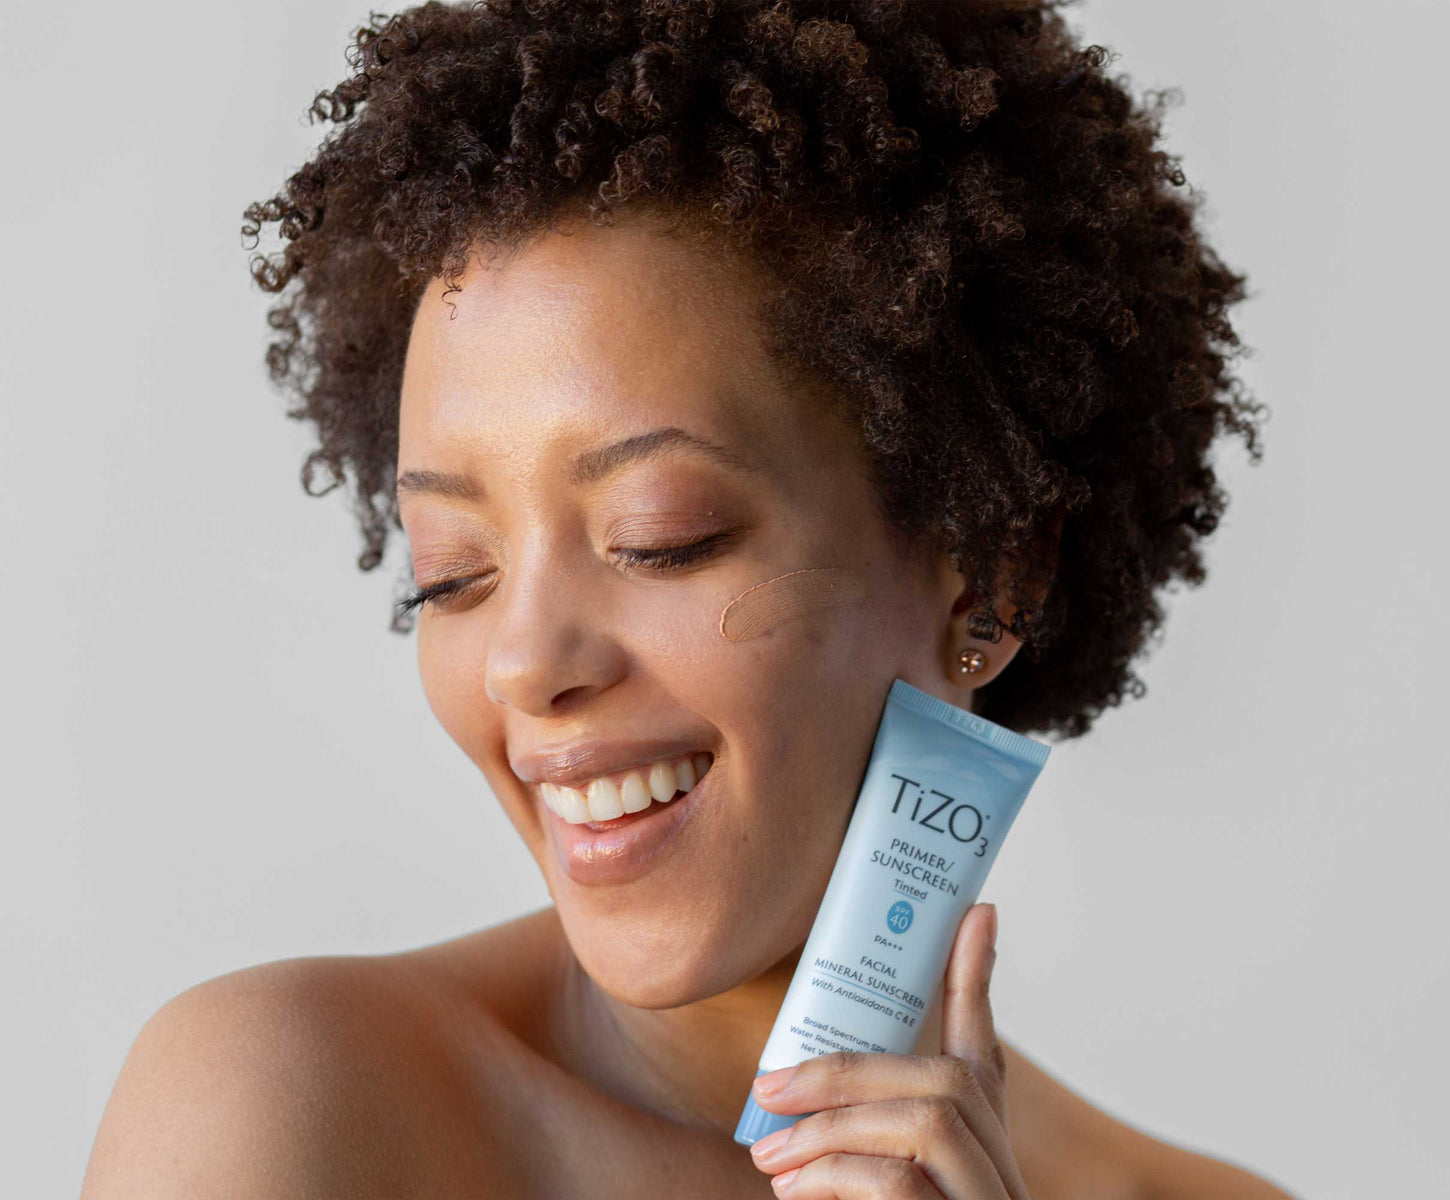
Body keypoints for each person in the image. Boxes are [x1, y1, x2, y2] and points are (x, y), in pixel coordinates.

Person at [84, 2, 1292, 1195]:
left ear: (993, 570)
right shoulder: (286, 1101)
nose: (522, 662)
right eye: (452, 573)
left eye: (659, 540)